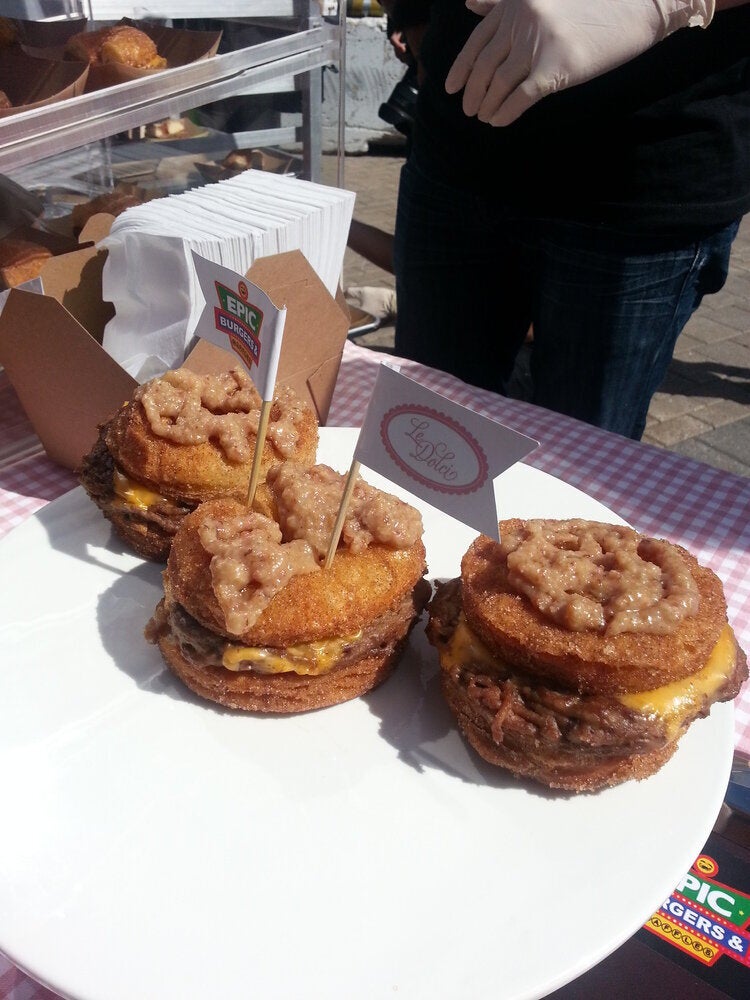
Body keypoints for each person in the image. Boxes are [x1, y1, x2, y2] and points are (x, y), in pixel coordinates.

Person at [386, 0, 750, 439]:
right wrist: (410, 13)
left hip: (642, 179)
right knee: (419, 433)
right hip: (458, 147)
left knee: (578, 463)